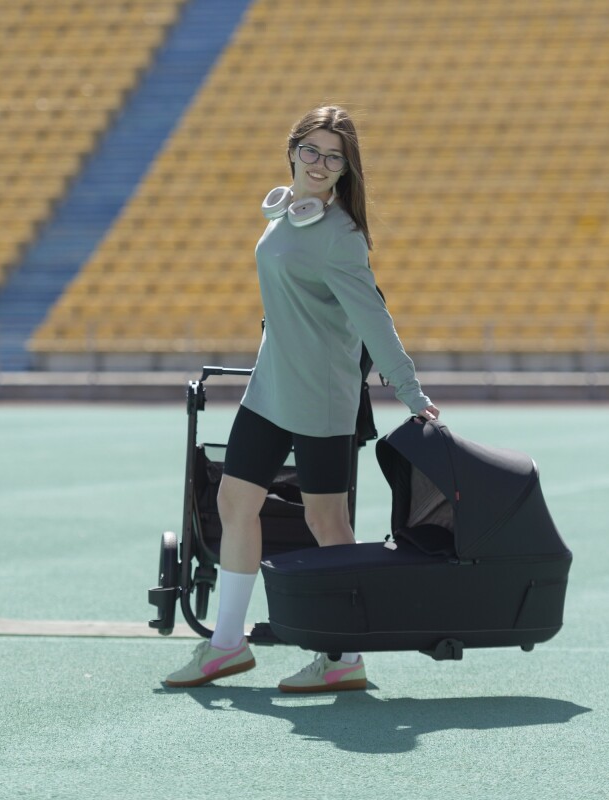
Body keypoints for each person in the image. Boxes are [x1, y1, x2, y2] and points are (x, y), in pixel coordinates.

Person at [165, 105, 440, 692]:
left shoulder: (341, 236)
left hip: (320, 396)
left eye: (333, 157)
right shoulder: (283, 214)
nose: (319, 163)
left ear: (346, 169)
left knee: (326, 521)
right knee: (235, 502)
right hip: (269, 388)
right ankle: (227, 645)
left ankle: (344, 657)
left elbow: (374, 319)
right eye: (311, 150)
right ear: (291, 152)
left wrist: (409, 390)